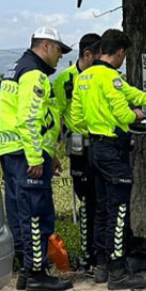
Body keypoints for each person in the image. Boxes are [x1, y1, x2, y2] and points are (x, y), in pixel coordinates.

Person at [71, 29, 146, 290]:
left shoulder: (86, 77)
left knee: (102, 208)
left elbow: (79, 116)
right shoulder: (110, 77)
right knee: (119, 209)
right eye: (123, 56)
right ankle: (118, 273)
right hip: (113, 150)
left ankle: (102, 265)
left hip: (93, 148)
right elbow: (124, 110)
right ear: (120, 53)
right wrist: (136, 115)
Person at [0, 27, 73, 291]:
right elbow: (30, 119)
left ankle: (26, 272)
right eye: (59, 51)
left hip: (10, 152)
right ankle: (38, 274)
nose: (59, 58)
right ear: (46, 46)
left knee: (20, 213)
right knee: (37, 214)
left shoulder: (15, 69)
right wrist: (37, 156)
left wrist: (47, 155)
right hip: (26, 154)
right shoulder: (34, 75)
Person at [53, 33, 102, 276]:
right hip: (77, 141)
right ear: (87, 55)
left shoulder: (101, 76)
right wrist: (53, 150)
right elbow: (55, 116)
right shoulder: (64, 80)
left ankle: (100, 253)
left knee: (100, 199)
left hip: (100, 140)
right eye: (98, 56)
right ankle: (86, 255)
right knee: (85, 199)